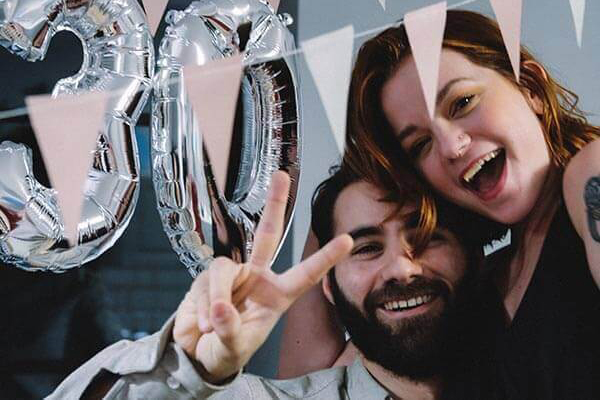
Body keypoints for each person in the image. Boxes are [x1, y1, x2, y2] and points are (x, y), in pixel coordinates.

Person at [280, 9, 600, 399]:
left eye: (462, 102)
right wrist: (337, 210)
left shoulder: (590, 173)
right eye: (420, 145)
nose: (451, 146)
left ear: (529, 85)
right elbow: (308, 386)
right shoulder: (477, 291)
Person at [46, 168, 489, 399]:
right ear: (329, 288)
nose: (401, 268)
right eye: (366, 248)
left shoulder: (541, 377)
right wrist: (184, 371)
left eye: (427, 237)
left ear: (472, 256)